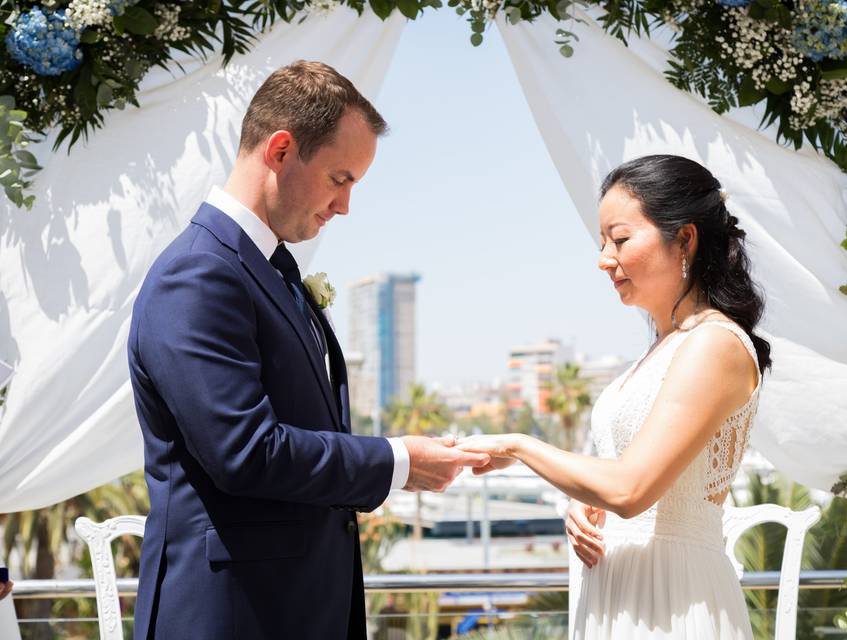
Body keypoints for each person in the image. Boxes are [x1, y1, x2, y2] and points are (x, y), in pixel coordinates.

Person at [128, 61, 489, 640]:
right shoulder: (198, 275)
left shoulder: (267, 268)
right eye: (340, 179)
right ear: (279, 151)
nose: (345, 207)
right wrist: (398, 462)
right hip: (231, 614)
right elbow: (246, 451)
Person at [458, 154, 770, 639]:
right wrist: (585, 502)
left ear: (684, 238)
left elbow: (630, 490)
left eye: (620, 239)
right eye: (603, 242)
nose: (604, 258)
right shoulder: (661, 348)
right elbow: (622, 478)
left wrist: (519, 446)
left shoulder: (713, 343)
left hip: (671, 598)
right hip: (619, 591)